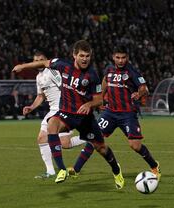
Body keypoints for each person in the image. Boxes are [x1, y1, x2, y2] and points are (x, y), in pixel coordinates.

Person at [12, 40, 124, 188]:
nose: (85, 59)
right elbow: (43, 63)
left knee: (101, 148)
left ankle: (116, 171)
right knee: (52, 124)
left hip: (85, 118)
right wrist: (22, 66)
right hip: (66, 114)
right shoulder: (62, 65)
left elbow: (99, 100)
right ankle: (62, 170)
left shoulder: (92, 75)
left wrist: (89, 104)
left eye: (88, 56)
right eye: (82, 55)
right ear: (74, 55)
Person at [68, 45, 161, 185]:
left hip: (127, 114)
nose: (121, 60)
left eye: (123, 57)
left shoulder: (132, 71)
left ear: (127, 58)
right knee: (94, 140)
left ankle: (154, 166)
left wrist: (139, 93)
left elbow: (144, 88)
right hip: (110, 113)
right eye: (118, 57)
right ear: (113, 57)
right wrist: (100, 99)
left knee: (135, 145)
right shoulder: (109, 69)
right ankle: (76, 169)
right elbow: (105, 81)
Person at [22, 51, 86, 179]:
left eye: (40, 59)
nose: (37, 62)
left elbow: (65, 87)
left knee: (54, 141)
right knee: (55, 141)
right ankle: (50, 171)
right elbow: (41, 96)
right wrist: (31, 107)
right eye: (35, 60)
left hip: (62, 109)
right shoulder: (38, 77)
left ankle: (90, 136)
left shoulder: (52, 71)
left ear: (46, 60)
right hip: (53, 110)